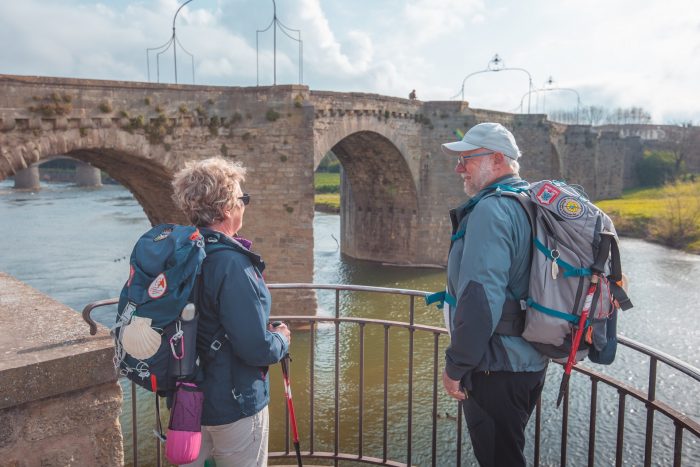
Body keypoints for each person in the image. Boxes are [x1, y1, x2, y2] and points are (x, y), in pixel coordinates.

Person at [439, 123, 548, 467]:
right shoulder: (530, 201)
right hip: (529, 360)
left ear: (498, 159)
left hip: (495, 367)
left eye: (467, 159)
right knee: (507, 452)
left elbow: (480, 300)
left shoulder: (491, 210)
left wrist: (455, 366)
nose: (459, 168)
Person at [172, 157, 291, 467]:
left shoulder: (179, 253)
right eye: (243, 199)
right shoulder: (233, 264)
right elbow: (255, 348)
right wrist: (281, 339)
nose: (245, 205)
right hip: (233, 404)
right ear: (227, 209)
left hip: (185, 400)